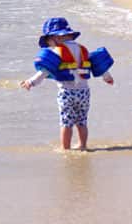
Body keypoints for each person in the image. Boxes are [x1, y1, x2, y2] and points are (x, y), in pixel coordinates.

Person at [20, 17, 114, 150]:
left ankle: (66, 149)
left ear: (56, 38)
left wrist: (31, 82)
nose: (49, 45)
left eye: (48, 41)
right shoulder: (83, 50)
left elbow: (44, 71)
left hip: (66, 93)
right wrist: (107, 77)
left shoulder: (57, 51)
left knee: (66, 123)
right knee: (82, 121)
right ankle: (83, 145)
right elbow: (98, 66)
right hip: (84, 92)